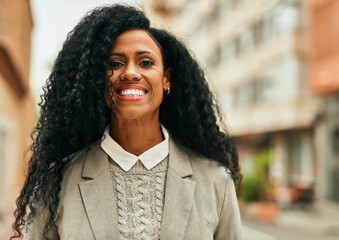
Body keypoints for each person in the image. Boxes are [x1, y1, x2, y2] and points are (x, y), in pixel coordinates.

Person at [12, 4, 242, 240]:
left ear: (166, 80)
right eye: (114, 63)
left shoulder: (215, 181)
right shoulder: (56, 182)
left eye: (145, 63)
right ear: (97, 80)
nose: (130, 73)